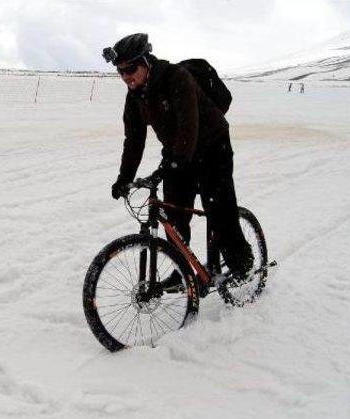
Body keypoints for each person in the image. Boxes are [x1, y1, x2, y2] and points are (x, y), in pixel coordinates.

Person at [103, 33, 253, 280]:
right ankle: (182, 271)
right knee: (176, 216)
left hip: (212, 146)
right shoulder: (135, 97)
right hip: (177, 151)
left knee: (218, 209)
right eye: (120, 72)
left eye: (130, 69)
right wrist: (124, 178)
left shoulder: (176, 78)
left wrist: (176, 162)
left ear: (146, 61)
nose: (126, 77)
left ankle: (241, 263)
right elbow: (134, 140)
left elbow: (188, 124)